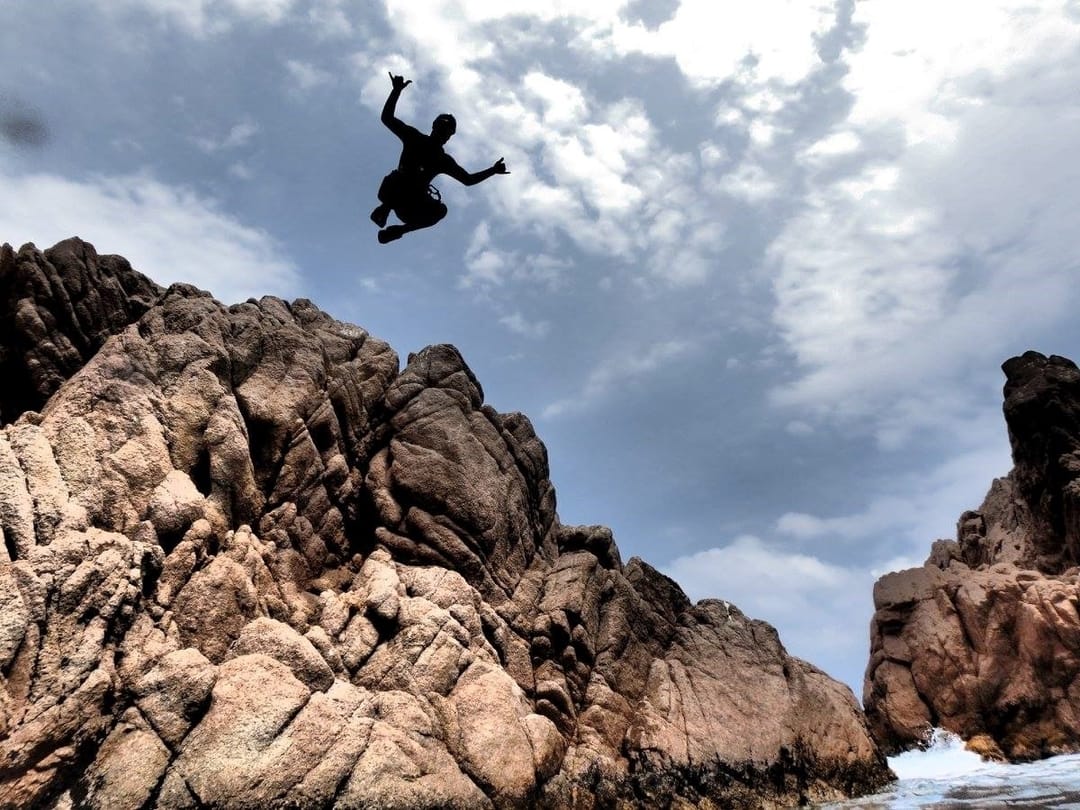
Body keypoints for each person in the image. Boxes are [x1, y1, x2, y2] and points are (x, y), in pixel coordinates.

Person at [370, 73, 509, 244]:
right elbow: (387, 118)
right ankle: (386, 208)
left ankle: (398, 228)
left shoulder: (441, 159)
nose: (443, 133)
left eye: (447, 130)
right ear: (434, 127)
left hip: (411, 206)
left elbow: (468, 180)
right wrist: (396, 91)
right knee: (405, 177)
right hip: (394, 192)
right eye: (442, 127)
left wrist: (493, 170)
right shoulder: (415, 139)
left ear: (449, 136)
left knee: (440, 210)